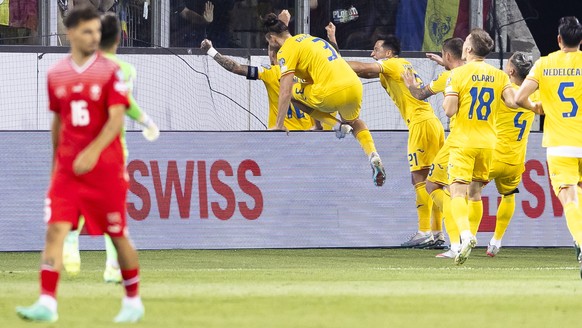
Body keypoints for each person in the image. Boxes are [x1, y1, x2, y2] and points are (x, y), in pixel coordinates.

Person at [16, 6, 144, 323]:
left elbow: (116, 120)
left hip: (106, 169)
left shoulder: (112, 72)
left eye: (97, 32)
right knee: (55, 230)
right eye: (87, 31)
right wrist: (55, 167)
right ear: (71, 32)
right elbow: (58, 123)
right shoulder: (56, 73)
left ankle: (133, 300)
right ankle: (47, 301)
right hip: (69, 171)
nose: (94, 38)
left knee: (117, 234)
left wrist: (93, 152)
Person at [61, 12, 160, 283]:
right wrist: (146, 121)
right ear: (118, 38)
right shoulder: (125, 69)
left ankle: (70, 240)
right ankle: (112, 267)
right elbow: (124, 101)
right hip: (114, 148)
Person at [263, 13, 386, 187]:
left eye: (269, 44)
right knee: (355, 121)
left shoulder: (285, 50)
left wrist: (279, 124)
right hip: (354, 85)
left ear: (272, 38)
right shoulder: (307, 38)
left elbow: (285, 91)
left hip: (329, 91)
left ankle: (336, 126)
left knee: (293, 93)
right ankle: (373, 154)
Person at [347, 35, 445, 246]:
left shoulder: (391, 64)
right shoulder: (400, 65)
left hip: (421, 125)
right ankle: (437, 234)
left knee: (419, 179)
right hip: (432, 123)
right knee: (434, 180)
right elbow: (363, 73)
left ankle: (424, 232)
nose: (373, 54)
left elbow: (364, 68)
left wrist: (332, 64)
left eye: (376, 50)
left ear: (388, 53)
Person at [443, 28, 518, 265]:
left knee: (456, 190)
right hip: (488, 143)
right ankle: (472, 236)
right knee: (475, 193)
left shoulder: (458, 74)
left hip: (463, 141)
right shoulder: (500, 76)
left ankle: (464, 237)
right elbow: (512, 102)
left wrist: (449, 91)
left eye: (465, 41)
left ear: (468, 49)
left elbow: (449, 110)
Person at [515, 16, 582, 276]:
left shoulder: (545, 64)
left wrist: (535, 107)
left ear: (558, 39)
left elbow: (521, 97)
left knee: (569, 198)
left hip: (560, 144)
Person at [402, 37, 465, 256]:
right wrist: (445, 61)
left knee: (431, 185)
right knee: (467, 192)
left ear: (448, 56)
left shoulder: (448, 77)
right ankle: (444, 234)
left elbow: (420, 94)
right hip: (485, 140)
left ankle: (450, 237)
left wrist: (410, 85)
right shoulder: (477, 72)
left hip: (458, 139)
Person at [200, 10, 313, 131]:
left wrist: (211, 51)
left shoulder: (270, 73)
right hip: (307, 133)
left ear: (274, 55)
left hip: (281, 134)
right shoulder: (305, 71)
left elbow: (236, 67)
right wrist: (283, 25)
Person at [479, 52, 539, 257]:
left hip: (493, 156)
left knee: (467, 191)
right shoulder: (533, 95)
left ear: (511, 70)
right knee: (509, 194)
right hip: (516, 159)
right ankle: (496, 241)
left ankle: (464, 238)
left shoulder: (502, 90)